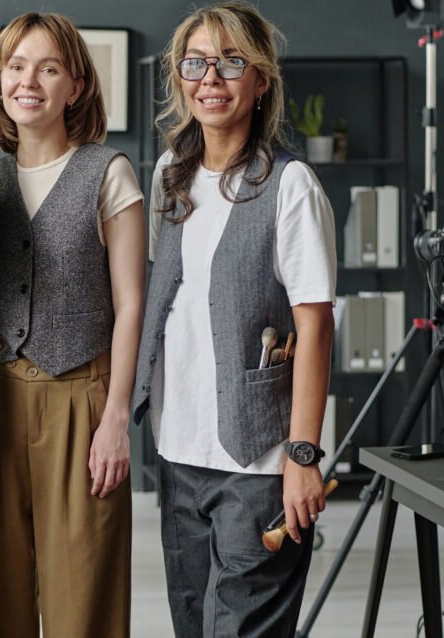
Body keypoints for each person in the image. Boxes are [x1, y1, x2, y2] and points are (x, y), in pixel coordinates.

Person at [128, 2, 336, 636]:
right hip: (179, 449)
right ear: (179, 77)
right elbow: (168, 298)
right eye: (195, 63)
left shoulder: (291, 185)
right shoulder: (170, 174)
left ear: (260, 80)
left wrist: (302, 456)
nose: (210, 78)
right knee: (192, 624)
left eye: (230, 62)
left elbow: (316, 325)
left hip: (260, 461)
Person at [0, 12, 145, 638]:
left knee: (83, 598)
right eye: (16, 66)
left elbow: (132, 305)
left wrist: (117, 416)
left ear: (75, 84)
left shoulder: (107, 172)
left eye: (48, 67)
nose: (29, 81)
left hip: (82, 399)